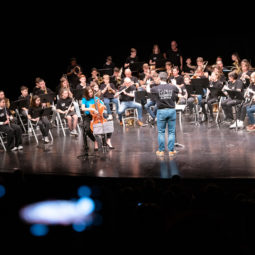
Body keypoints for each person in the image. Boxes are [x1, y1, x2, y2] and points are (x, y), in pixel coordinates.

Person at [151, 72, 180, 156]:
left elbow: (149, 90)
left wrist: (150, 84)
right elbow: (179, 91)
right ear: (167, 78)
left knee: (161, 132)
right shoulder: (173, 87)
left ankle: (161, 151)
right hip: (171, 111)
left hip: (161, 111)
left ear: (159, 78)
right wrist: (174, 84)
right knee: (171, 132)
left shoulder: (155, 88)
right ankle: (171, 151)